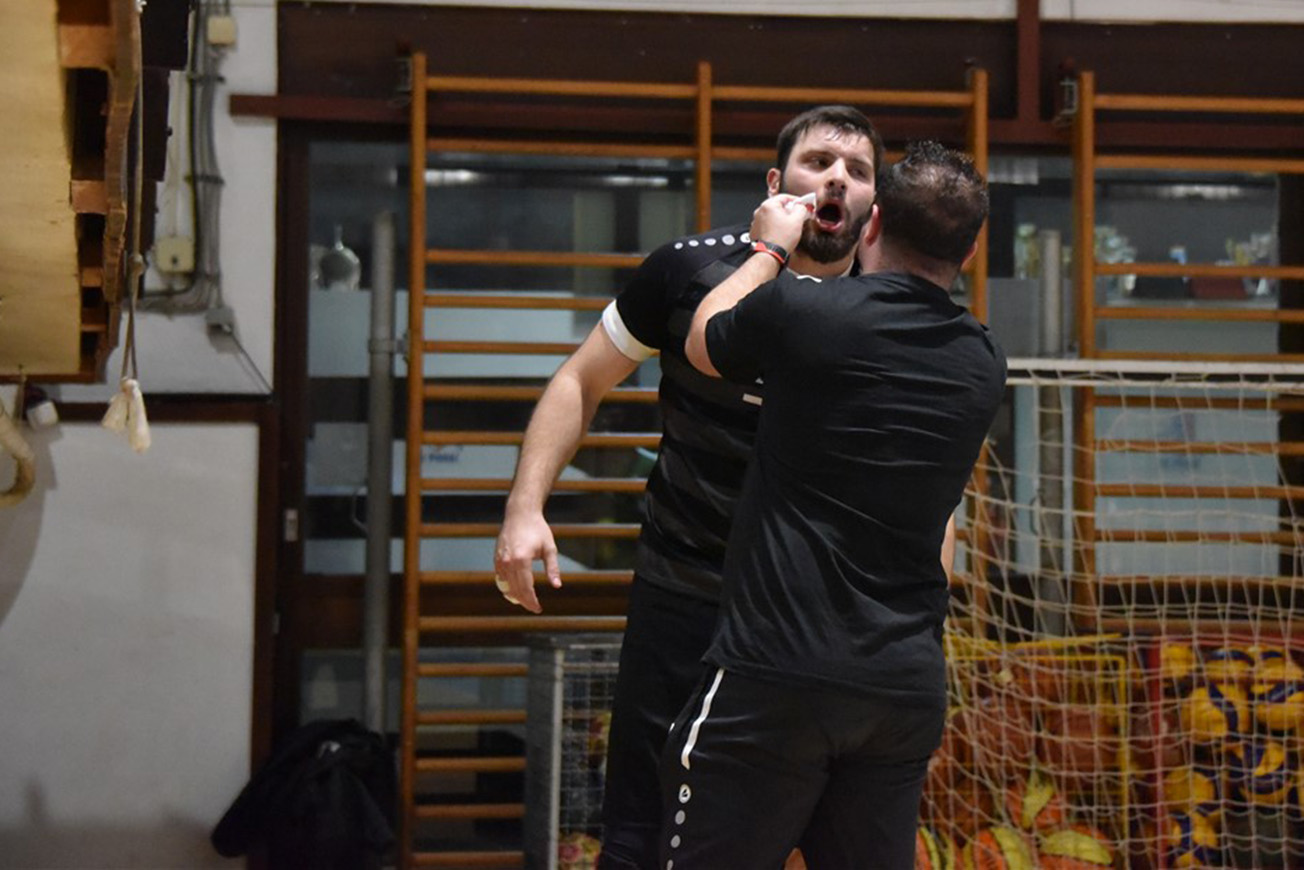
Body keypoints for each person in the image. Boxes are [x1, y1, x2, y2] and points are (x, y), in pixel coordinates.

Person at [492, 107, 884, 870]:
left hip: (812, 622)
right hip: (681, 596)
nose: (838, 178)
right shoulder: (687, 271)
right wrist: (524, 507)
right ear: (775, 186)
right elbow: (580, 380)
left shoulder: (888, 312)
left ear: (873, 210)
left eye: (859, 171)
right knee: (639, 838)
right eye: (818, 162)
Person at [664, 140, 1005, 870]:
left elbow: (703, 342)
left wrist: (767, 250)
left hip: (778, 670)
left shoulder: (807, 312)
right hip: (902, 688)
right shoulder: (982, 361)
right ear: (970, 255)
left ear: (872, 223)